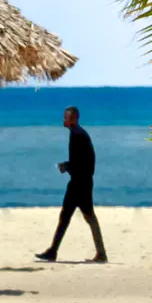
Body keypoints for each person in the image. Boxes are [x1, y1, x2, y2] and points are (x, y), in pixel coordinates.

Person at [35, 106, 106, 263]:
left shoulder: (77, 135)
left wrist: (66, 166)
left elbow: (83, 163)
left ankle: (54, 252)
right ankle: (99, 253)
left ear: (73, 119)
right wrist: (69, 166)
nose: (63, 120)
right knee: (78, 216)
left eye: (66, 117)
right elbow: (84, 161)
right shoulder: (78, 133)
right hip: (82, 182)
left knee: (75, 216)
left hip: (79, 183)